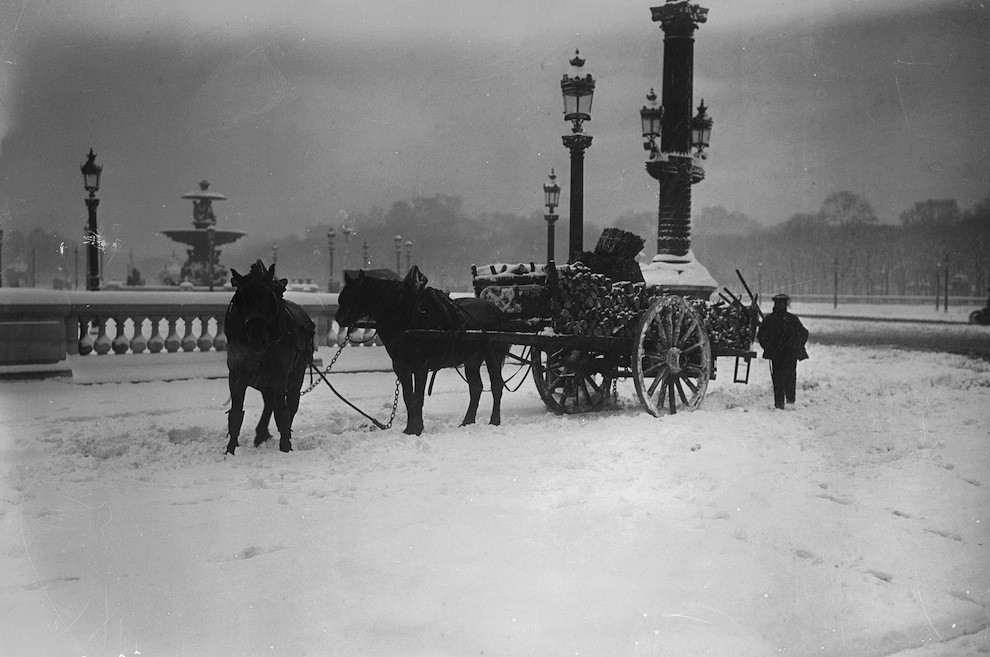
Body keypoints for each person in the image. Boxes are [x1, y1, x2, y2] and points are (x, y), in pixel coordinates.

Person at [757, 293, 809, 410]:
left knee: (787, 378)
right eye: (778, 303)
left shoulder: (789, 319)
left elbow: (804, 334)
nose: (779, 306)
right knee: (780, 379)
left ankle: (789, 402)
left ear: (785, 304)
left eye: (781, 303)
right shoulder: (772, 319)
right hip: (779, 355)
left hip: (787, 355)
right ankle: (781, 404)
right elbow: (761, 336)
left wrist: (795, 347)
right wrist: (769, 348)